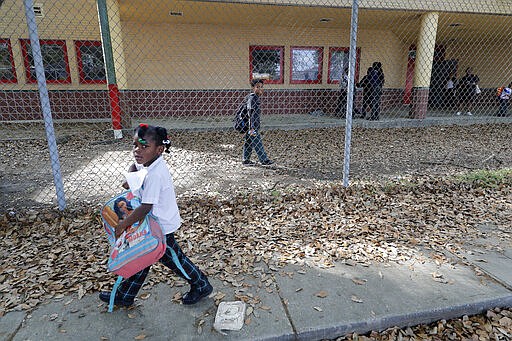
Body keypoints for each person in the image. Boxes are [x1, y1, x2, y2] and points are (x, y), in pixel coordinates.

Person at [99, 123, 213, 307]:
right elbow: (134, 166)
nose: (138, 150)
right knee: (141, 257)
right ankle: (126, 295)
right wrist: (130, 178)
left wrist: (123, 224)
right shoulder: (147, 161)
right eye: (135, 145)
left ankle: (201, 285)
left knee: (175, 260)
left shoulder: (156, 174)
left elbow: (145, 207)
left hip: (161, 227)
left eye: (144, 146)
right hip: (151, 224)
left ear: (159, 149)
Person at [242, 79, 273, 166]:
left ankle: (246, 160)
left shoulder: (254, 98)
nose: (260, 89)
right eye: (257, 87)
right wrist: (252, 127)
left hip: (251, 126)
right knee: (257, 142)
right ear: (253, 88)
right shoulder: (252, 98)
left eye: (261, 87)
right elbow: (250, 113)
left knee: (248, 142)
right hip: (252, 126)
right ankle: (264, 160)